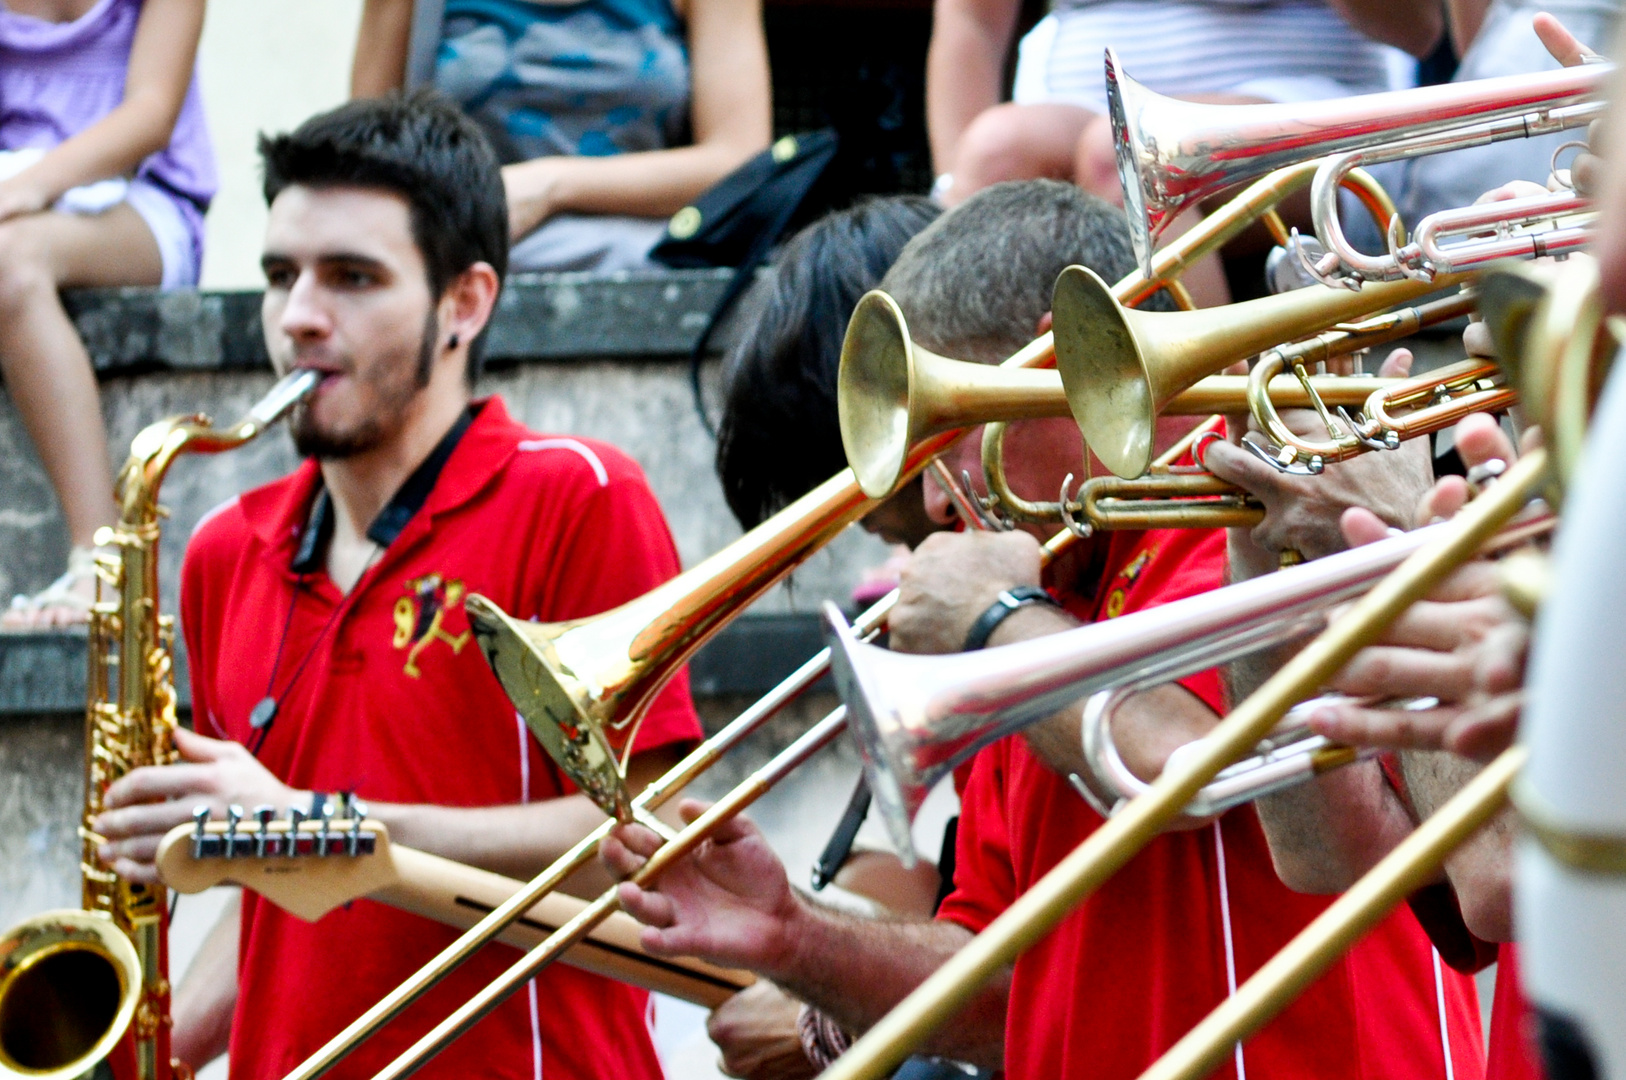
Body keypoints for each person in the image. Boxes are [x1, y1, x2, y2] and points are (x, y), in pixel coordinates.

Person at [604, 179, 1484, 1080]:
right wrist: (793, 938)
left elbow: (1196, 761)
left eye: (952, 430)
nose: (941, 497)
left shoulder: (1253, 503)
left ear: (1077, 362)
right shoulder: (1035, 612)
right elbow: (1001, 994)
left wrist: (996, 625)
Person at [90, 91, 701, 1080]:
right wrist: (139, 1051)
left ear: (465, 303)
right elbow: (277, 900)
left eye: (352, 278)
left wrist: (321, 827)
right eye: (281, 275)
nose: (297, 318)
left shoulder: (579, 495)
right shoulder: (218, 550)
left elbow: (650, 834)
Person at [0, 0, 215, 627]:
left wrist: (29, 187)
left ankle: (100, 562)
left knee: (11, 263)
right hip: (17, 206)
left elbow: (150, 115)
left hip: (144, 207)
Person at [350, 0, 771, 273]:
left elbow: (742, 164)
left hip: (647, 266)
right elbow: (363, 160)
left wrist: (551, 187)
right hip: (465, 265)